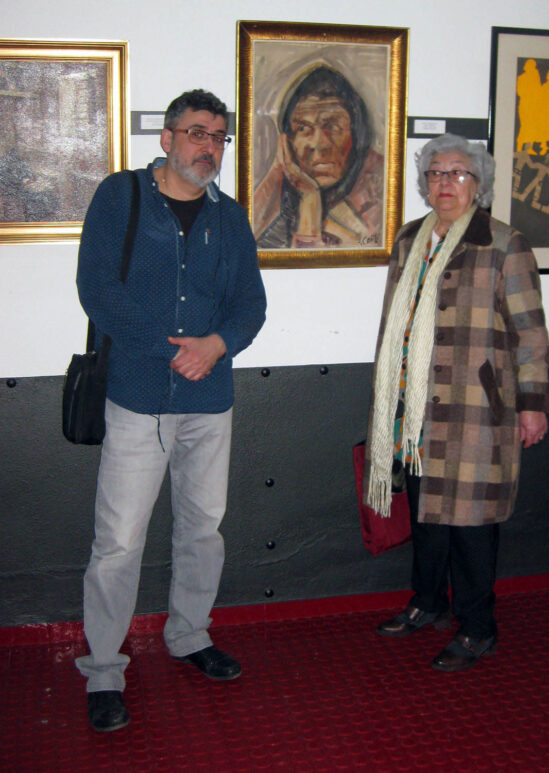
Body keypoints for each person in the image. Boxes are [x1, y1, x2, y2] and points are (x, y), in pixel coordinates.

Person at [75, 89, 267, 731]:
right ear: (165, 138)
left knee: (203, 530)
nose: (207, 146)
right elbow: (96, 288)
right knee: (119, 542)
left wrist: (216, 345)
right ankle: (103, 670)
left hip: (211, 400)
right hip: (137, 399)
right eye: (195, 132)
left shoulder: (231, 217)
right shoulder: (120, 196)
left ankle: (189, 635)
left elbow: (251, 305)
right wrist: (169, 349)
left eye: (218, 136)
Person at [365, 133, 549, 672]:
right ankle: (428, 604)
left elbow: (530, 334)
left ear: (479, 183)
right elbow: (393, 325)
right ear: (424, 185)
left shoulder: (504, 244)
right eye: (435, 173)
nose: (445, 183)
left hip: (477, 408)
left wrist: (532, 403)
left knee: (471, 523)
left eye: (457, 173)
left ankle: (478, 628)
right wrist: (390, 397)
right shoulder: (408, 241)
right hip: (416, 408)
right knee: (426, 517)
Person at [253, 65, 383, 249]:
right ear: (287, 141)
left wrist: (310, 203)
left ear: (356, 135)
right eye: (303, 129)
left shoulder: (377, 194)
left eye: (332, 127)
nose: (319, 144)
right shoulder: (284, 198)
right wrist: (280, 174)